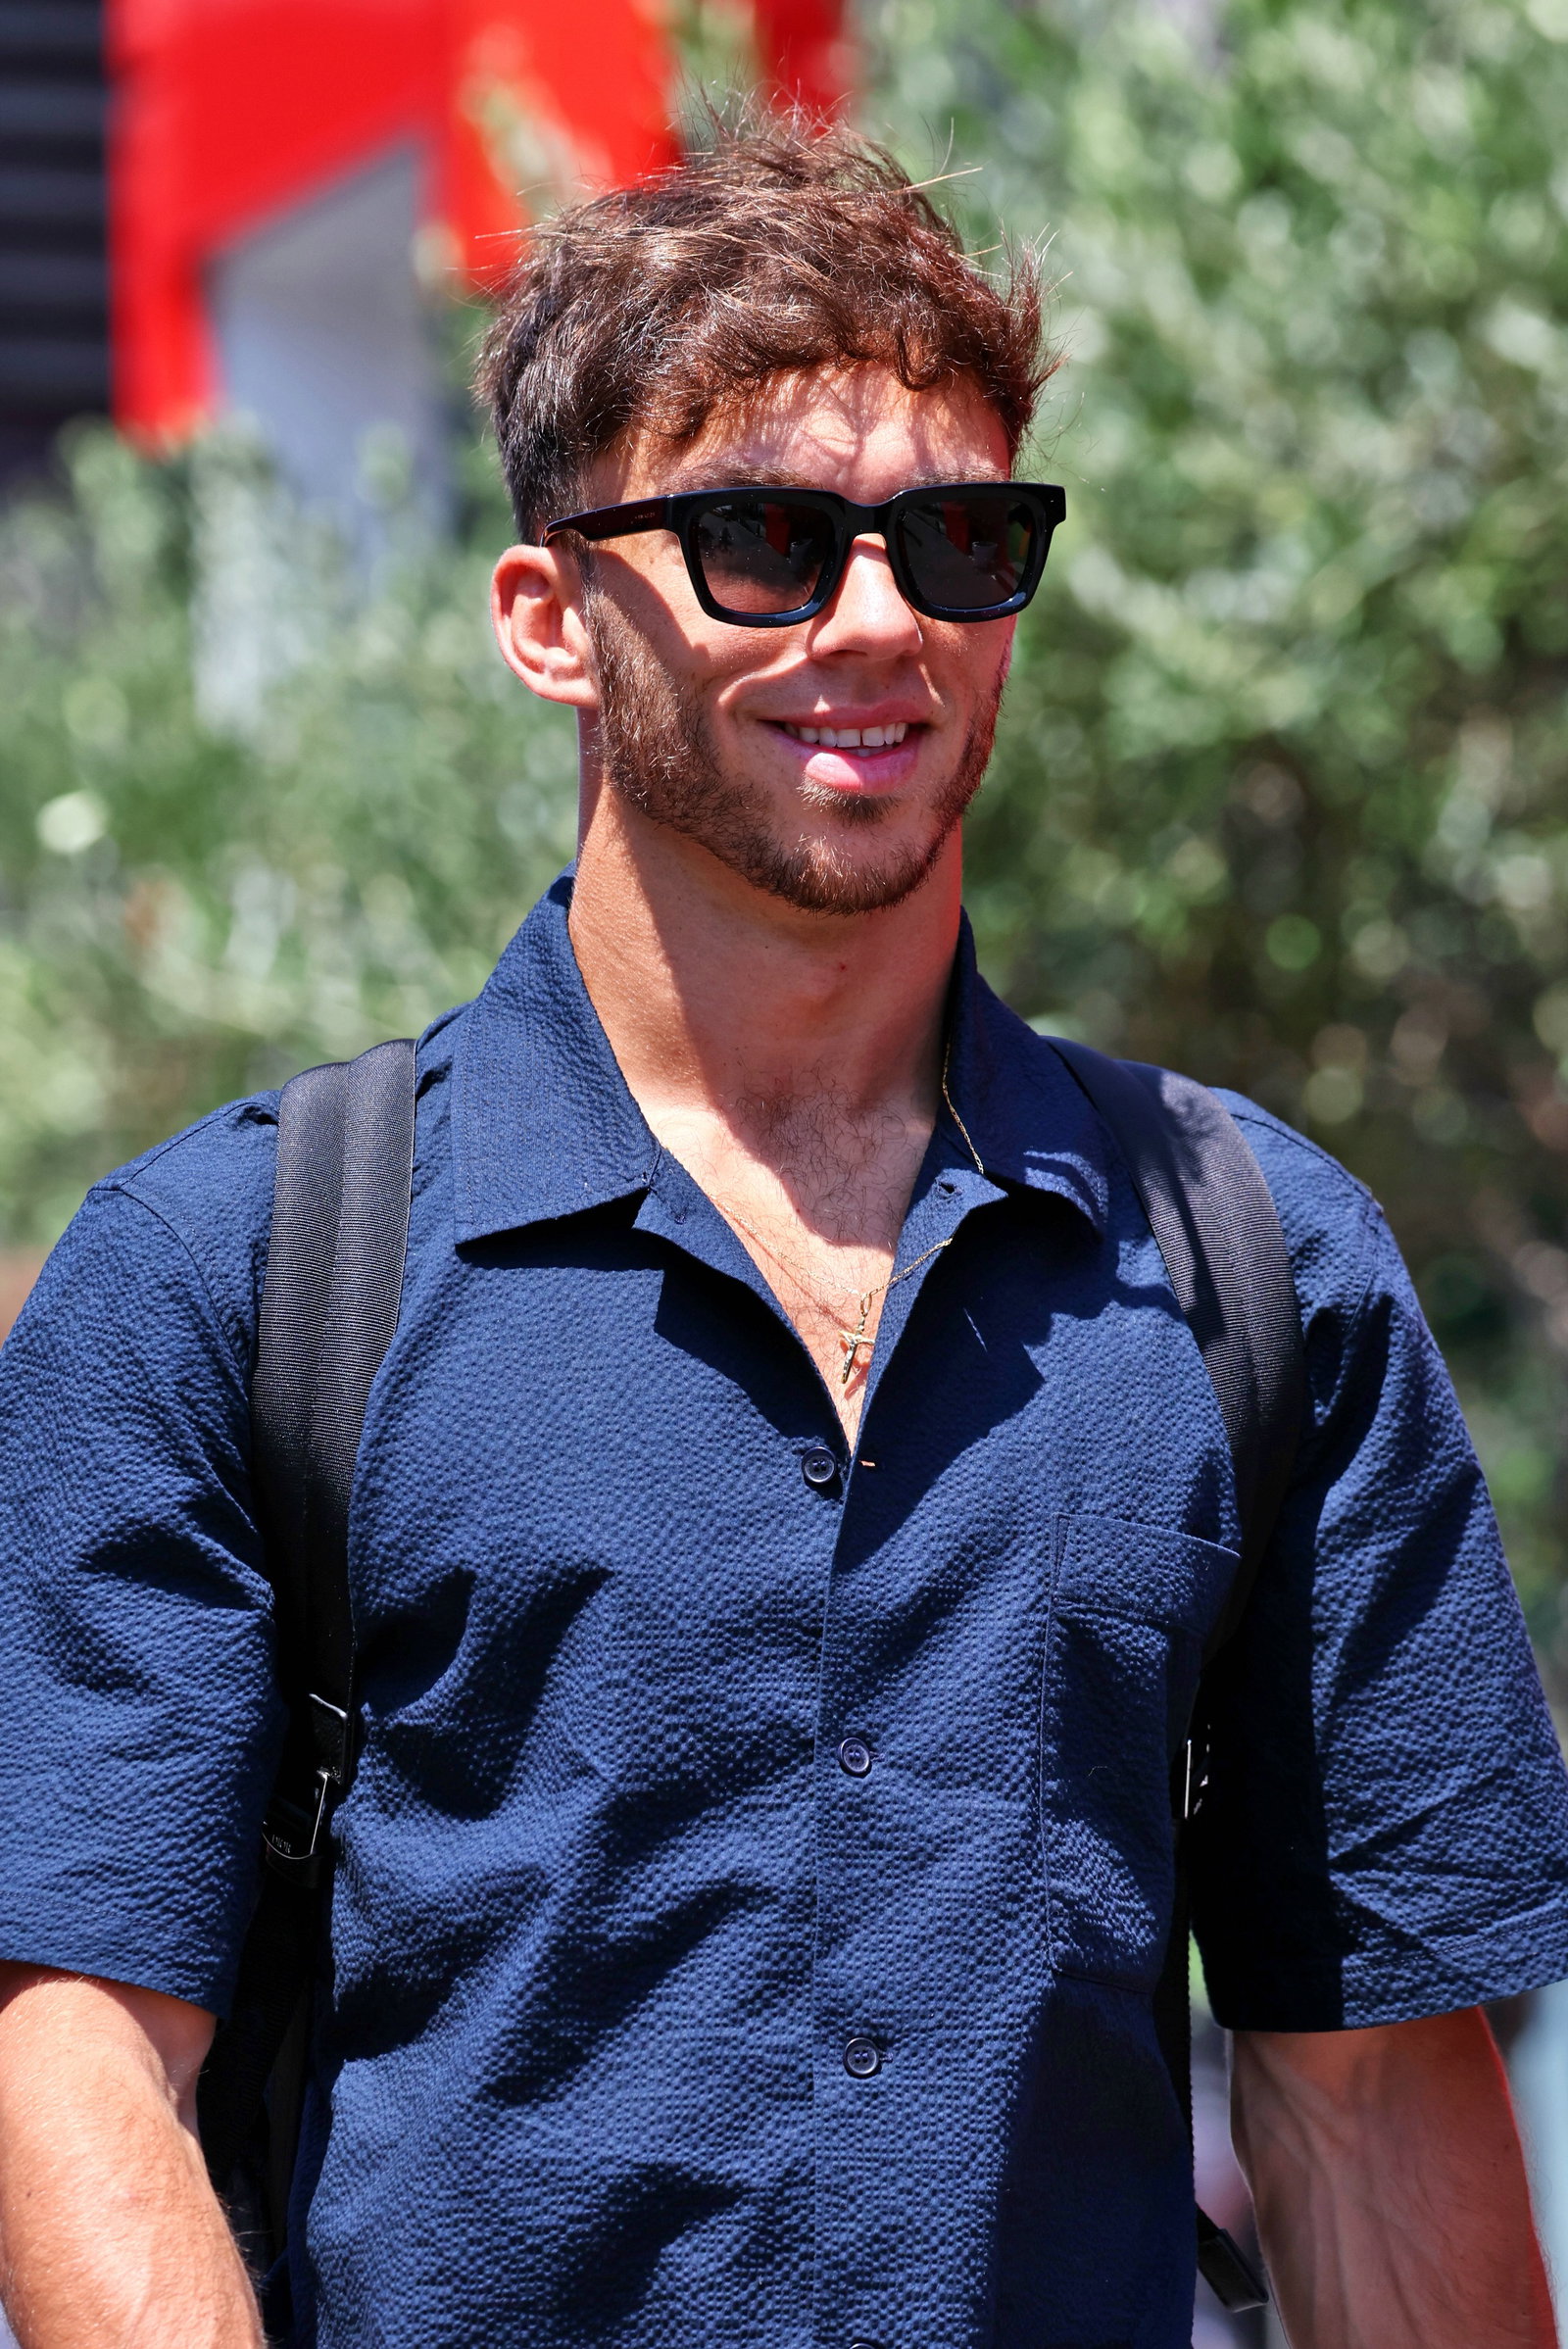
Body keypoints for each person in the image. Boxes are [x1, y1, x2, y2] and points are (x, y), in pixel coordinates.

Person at [0, 117, 1564, 2349]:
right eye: (759, 539)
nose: (875, 618)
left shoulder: (1254, 1263)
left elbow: (1363, 2098)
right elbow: (73, 2055)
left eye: (954, 538)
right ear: (547, 618)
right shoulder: (233, 1273)